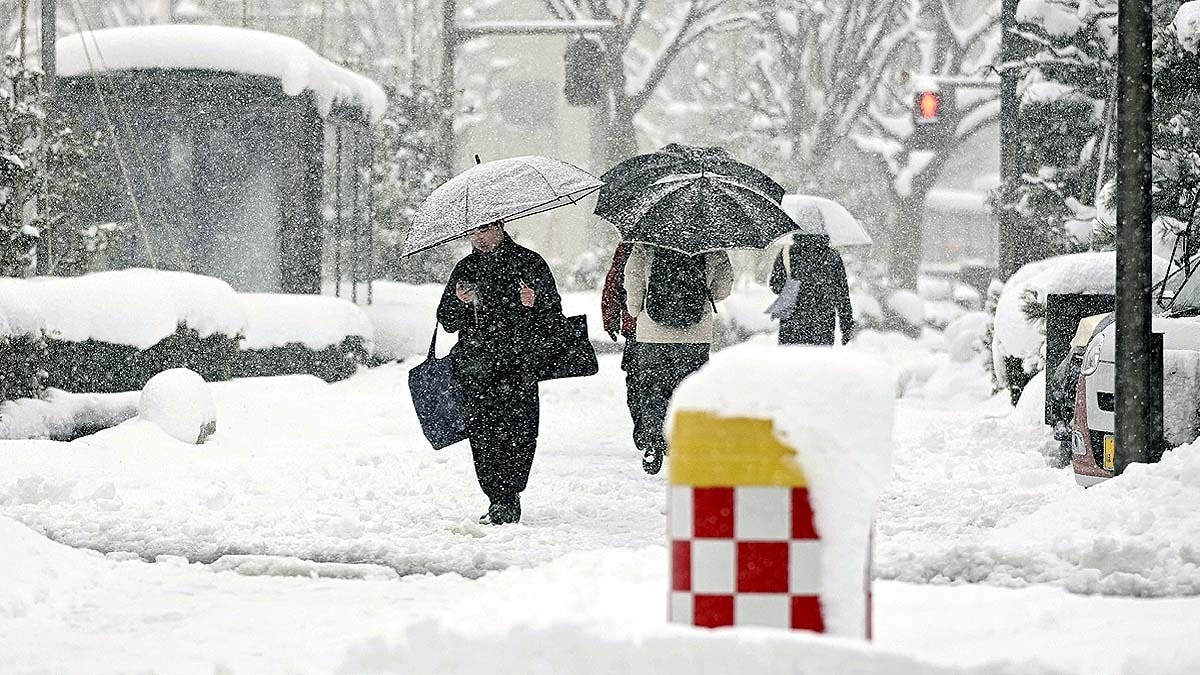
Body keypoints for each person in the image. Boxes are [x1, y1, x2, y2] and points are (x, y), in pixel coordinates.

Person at [436, 221, 563, 525]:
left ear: (501, 227)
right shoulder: (466, 268)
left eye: (485, 230)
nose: (478, 238)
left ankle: (511, 493)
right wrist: (460, 303)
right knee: (482, 433)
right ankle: (497, 498)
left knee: (520, 431)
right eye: (473, 232)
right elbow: (447, 320)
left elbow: (554, 316)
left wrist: (535, 302)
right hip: (476, 368)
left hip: (518, 365)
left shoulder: (528, 263)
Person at [624, 243, 734, 474]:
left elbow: (632, 280)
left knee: (652, 389)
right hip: (695, 334)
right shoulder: (712, 244)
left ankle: (653, 442)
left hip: (652, 334)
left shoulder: (645, 243)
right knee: (690, 390)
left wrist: (636, 309)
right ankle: (687, 443)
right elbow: (723, 288)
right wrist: (701, 298)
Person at [769, 233, 855, 345]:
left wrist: (792, 287)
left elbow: (775, 285)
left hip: (792, 323)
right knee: (819, 360)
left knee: (791, 360)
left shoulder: (787, 253)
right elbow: (842, 294)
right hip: (823, 324)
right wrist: (846, 326)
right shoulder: (832, 256)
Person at [600, 243, 642, 442]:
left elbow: (614, 283)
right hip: (688, 332)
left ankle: (646, 430)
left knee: (638, 382)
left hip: (638, 327)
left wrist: (610, 320)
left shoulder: (630, 244)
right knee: (682, 383)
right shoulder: (695, 240)